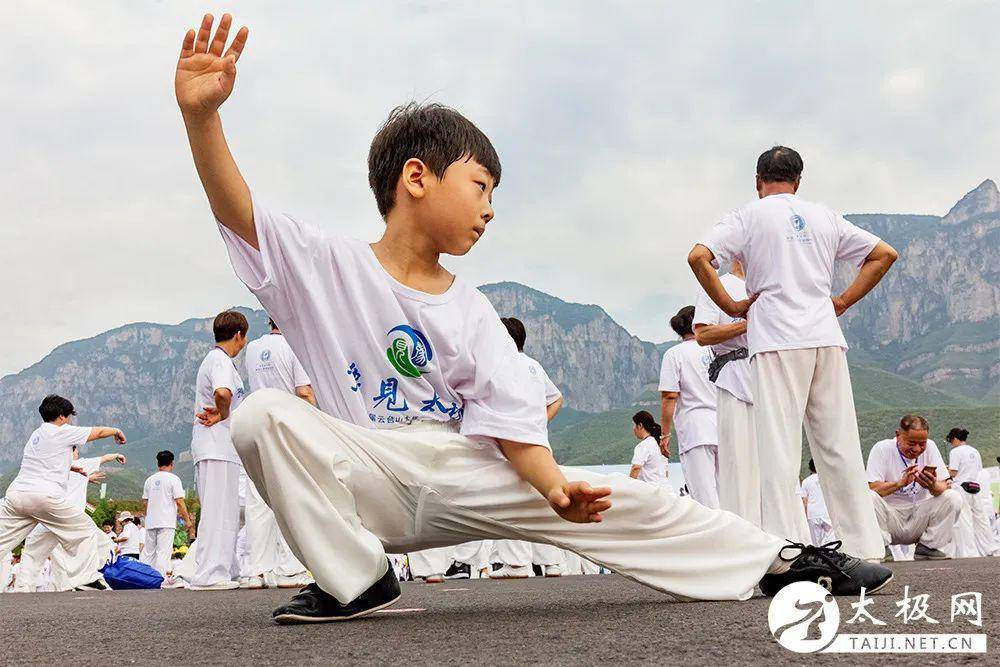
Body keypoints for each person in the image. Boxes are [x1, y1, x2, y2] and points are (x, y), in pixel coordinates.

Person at [175, 13, 891, 623]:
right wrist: (201, 116)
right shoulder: (324, 264)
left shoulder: (471, 308)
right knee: (261, 415)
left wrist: (554, 488)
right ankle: (358, 578)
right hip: (366, 469)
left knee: (625, 499)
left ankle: (781, 560)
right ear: (417, 177)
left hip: (458, 468)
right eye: (481, 185)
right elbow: (237, 208)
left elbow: (510, 418)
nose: (490, 207)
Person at [688, 146, 897, 561]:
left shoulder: (747, 215)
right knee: (838, 444)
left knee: (779, 448)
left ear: (757, 180)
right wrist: (841, 302)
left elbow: (699, 257)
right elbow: (883, 254)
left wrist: (730, 307)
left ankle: (787, 550)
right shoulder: (824, 215)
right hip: (825, 335)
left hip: (777, 338)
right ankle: (865, 548)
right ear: (798, 181)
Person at [0, 394, 124, 591]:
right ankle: (85, 579)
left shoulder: (35, 435)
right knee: (85, 531)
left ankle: (25, 586)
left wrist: (72, 468)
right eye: (69, 416)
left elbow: (44, 462)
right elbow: (99, 432)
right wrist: (116, 431)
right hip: (43, 498)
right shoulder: (61, 431)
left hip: (16, 495)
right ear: (61, 416)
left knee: (2, 539)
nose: (69, 420)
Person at [490, 317, 565, 579]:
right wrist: (540, 421)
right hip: (539, 442)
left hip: (513, 443)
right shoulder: (534, 365)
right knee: (544, 502)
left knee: (511, 501)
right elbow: (557, 399)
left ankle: (516, 563)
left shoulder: (500, 365)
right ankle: (552, 563)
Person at [243, 317, 315, 588]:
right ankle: (289, 569)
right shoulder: (295, 347)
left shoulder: (252, 349)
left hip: (256, 425)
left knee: (258, 502)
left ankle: (256, 571)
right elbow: (304, 392)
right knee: (289, 497)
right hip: (286, 427)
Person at [693, 260, 759, 526]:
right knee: (738, 463)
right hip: (735, 378)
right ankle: (743, 532)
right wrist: (749, 323)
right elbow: (703, 334)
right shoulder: (720, 285)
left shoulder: (770, 286)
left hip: (769, 376)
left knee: (774, 462)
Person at [189, 309, 248, 590]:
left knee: (226, 509)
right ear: (238, 335)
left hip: (217, 447)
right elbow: (222, 393)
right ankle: (210, 574)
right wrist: (223, 415)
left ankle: (226, 567)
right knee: (219, 510)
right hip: (217, 445)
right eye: (243, 339)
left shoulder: (214, 360)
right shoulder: (221, 361)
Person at [17, 447, 124, 592]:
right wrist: (116, 454)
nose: (77, 453)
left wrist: (86, 478)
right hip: (72, 518)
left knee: (34, 550)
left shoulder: (52, 468)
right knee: (99, 542)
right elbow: (104, 457)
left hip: (49, 516)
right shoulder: (81, 464)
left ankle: (24, 586)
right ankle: (87, 579)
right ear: (72, 452)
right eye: (76, 451)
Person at [866, 415, 963, 561]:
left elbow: (943, 484)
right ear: (898, 435)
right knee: (868, 496)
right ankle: (880, 547)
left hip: (919, 517)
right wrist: (899, 483)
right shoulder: (882, 449)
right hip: (891, 518)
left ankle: (928, 547)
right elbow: (872, 487)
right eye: (911, 443)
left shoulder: (930, 447)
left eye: (922, 444)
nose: (917, 449)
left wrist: (932, 485)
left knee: (952, 497)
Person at [659, 306, 719, 508]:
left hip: (695, 429)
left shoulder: (674, 354)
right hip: (726, 424)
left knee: (704, 497)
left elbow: (669, 396)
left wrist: (665, 435)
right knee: (729, 492)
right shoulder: (717, 348)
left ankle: (715, 538)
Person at [947, 429, 999, 557]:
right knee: (981, 520)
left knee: (965, 520)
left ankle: (970, 552)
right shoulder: (975, 451)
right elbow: (978, 470)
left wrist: (944, 471)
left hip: (961, 488)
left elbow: (953, 472)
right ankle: (990, 548)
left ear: (955, 439)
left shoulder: (955, 452)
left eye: (950, 441)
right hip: (975, 487)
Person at [141, 450, 195, 575]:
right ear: (172, 463)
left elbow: (145, 503)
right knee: (163, 552)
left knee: (149, 552)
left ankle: (144, 577)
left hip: (151, 521)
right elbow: (180, 502)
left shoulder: (149, 480)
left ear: (157, 463)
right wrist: (187, 520)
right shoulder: (174, 479)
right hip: (166, 521)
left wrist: (146, 518)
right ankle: (161, 579)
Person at [629, 411, 670, 487]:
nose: (633, 429)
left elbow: (636, 468)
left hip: (651, 492)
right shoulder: (660, 446)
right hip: (666, 491)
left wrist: (628, 487)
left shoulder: (643, 445)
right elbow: (666, 473)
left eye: (634, 425)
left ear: (640, 425)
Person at [801, 459, 835, 546]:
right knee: (831, 540)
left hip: (812, 514)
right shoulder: (828, 478)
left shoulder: (806, 481)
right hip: (826, 513)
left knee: (816, 543)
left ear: (810, 468)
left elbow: (804, 501)